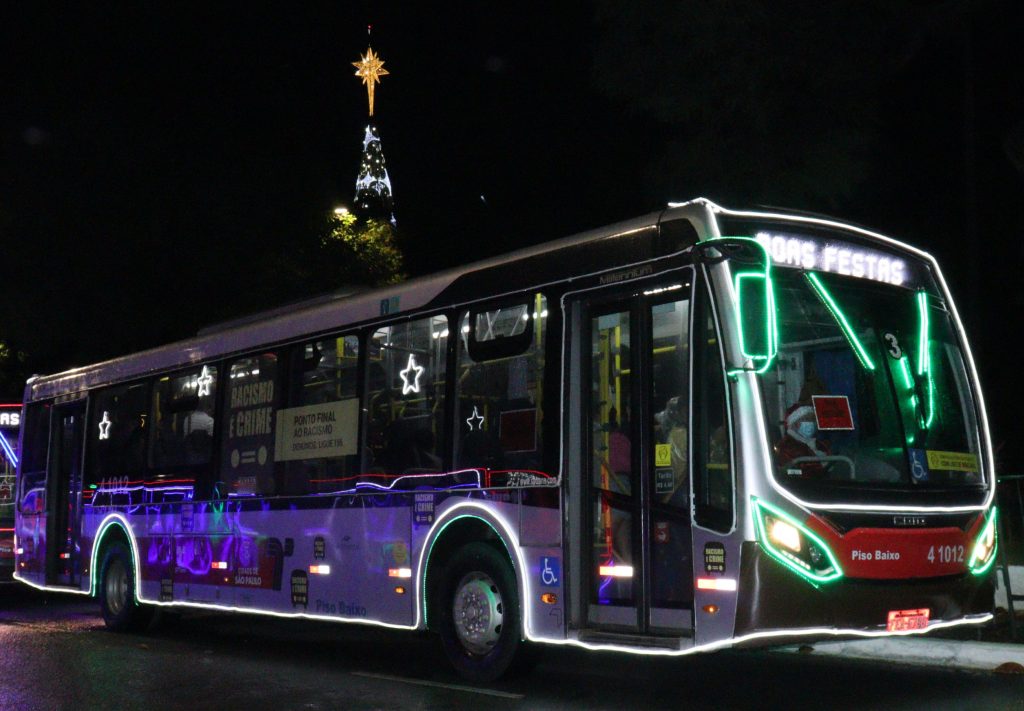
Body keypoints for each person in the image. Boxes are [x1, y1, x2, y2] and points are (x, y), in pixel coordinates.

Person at [774, 405, 831, 477]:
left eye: (812, 419)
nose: (811, 423)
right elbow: (794, 474)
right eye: (806, 419)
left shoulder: (819, 445)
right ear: (794, 423)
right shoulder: (786, 446)